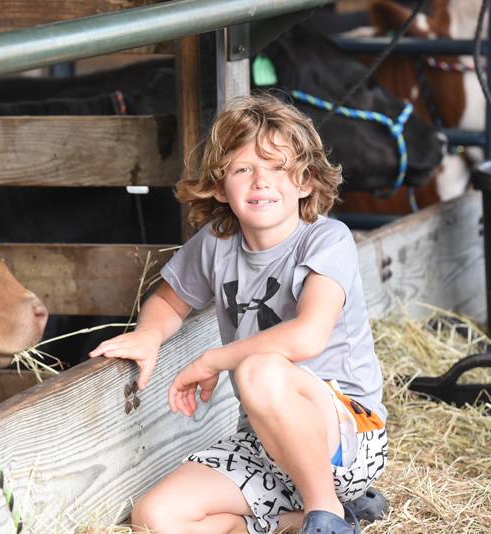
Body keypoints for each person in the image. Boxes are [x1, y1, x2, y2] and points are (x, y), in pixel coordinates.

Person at [89, 94, 387, 534]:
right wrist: (149, 336)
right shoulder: (217, 243)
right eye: (243, 169)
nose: (261, 182)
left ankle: (328, 515)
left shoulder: (327, 240)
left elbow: (308, 336)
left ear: (305, 182)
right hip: (263, 443)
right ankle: (298, 521)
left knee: (258, 370)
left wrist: (210, 360)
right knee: (155, 518)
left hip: (348, 434)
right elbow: (169, 301)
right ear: (218, 185)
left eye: (278, 168)